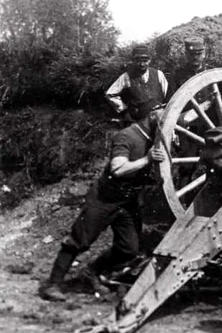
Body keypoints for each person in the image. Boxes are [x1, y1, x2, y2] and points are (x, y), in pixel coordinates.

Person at [39, 110, 167, 301]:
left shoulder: (154, 137)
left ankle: (91, 272)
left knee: (129, 248)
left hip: (128, 201)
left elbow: (186, 116)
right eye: (164, 112)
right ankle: (53, 284)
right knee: (79, 240)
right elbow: (118, 169)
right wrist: (146, 160)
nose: (168, 117)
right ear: (152, 115)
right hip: (105, 198)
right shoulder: (127, 136)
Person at [105, 45, 168, 123]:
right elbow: (110, 94)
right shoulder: (127, 76)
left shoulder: (159, 74)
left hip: (159, 117)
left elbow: (166, 94)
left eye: (145, 61)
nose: (142, 64)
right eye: (138, 61)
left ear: (149, 60)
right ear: (133, 61)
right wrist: (124, 110)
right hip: (138, 120)